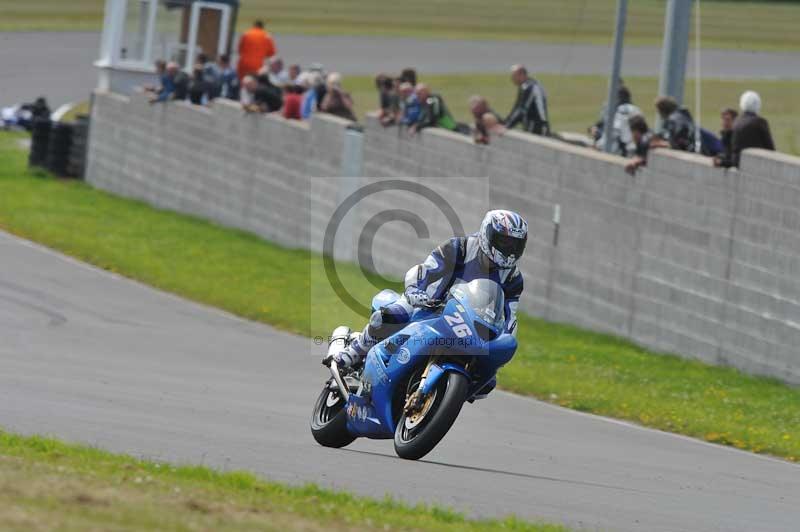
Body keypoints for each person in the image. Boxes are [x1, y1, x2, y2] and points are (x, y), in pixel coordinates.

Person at [330, 209, 528, 398]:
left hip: (468, 323)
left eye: (515, 245)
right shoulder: (460, 248)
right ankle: (354, 352)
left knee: (487, 380)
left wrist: (504, 341)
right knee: (392, 315)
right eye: (504, 241)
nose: (509, 249)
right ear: (487, 233)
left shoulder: (513, 278)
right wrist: (415, 291)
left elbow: (510, 317)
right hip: (429, 304)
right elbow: (425, 270)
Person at [717, 91, 775, 168]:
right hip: (756, 166)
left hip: (738, 165)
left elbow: (733, 152)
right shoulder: (761, 122)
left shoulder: (736, 122)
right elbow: (771, 149)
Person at [592, 86, 641, 156]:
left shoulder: (616, 111)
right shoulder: (636, 109)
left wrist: (597, 144)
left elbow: (614, 133)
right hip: (634, 150)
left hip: (616, 151)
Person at [505, 64, 549, 136]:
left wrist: (507, 126)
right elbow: (516, 107)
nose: (512, 79)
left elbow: (522, 110)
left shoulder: (531, 87)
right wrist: (506, 122)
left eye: (514, 76)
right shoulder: (524, 86)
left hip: (537, 126)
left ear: (522, 75)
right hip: (530, 124)